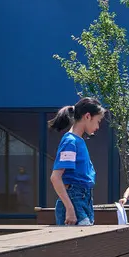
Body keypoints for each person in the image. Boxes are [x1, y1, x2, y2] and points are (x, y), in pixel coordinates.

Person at [48, 97, 105, 226]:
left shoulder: (78, 141)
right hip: (75, 200)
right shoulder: (70, 141)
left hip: (84, 199)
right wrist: (69, 209)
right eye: (98, 121)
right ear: (88, 116)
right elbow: (55, 177)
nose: (98, 126)